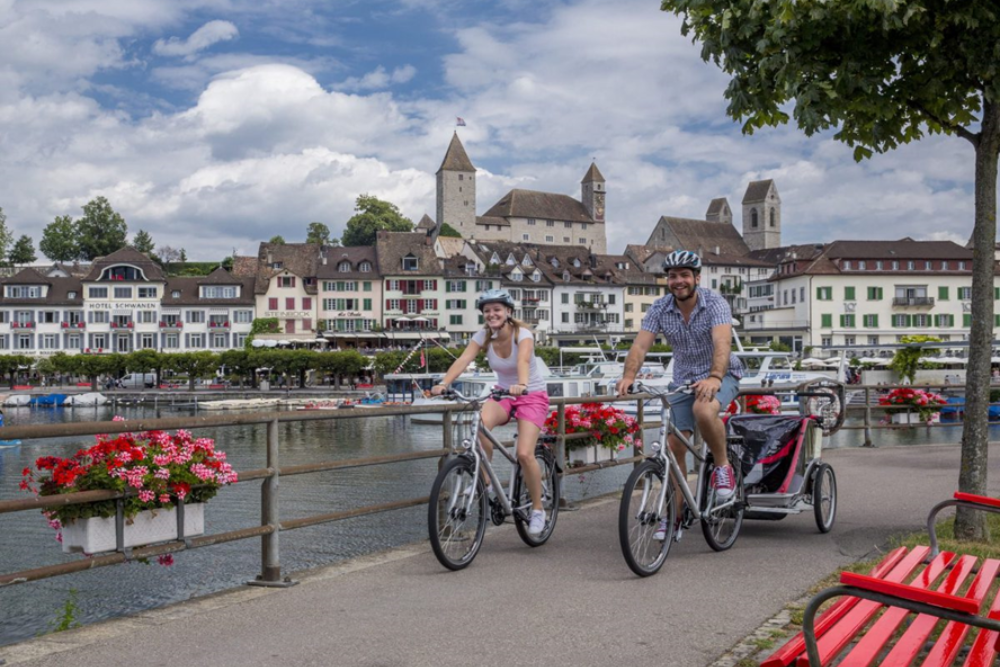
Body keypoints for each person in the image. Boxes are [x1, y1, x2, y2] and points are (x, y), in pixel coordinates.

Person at [615, 249, 743, 541]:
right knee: (673, 448)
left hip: (721, 373)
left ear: (697, 278)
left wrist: (714, 377)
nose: (678, 281)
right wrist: (629, 376)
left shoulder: (715, 303)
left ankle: (722, 467)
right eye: (673, 276)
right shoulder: (660, 308)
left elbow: (722, 343)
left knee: (704, 410)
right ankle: (675, 513)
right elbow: (640, 346)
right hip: (683, 380)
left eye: (685, 275)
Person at [431, 288, 551, 536]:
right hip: (502, 393)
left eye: (497, 309)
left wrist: (523, 384)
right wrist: (444, 383)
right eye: (487, 311)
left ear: (508, 312)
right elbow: (463, 359)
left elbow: (523, 361)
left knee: (525, 453)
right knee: (480, 426)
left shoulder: (523, 334)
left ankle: (538, 509)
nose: (491, 314)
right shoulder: (483, 336)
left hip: (531, 394)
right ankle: (485, 482)